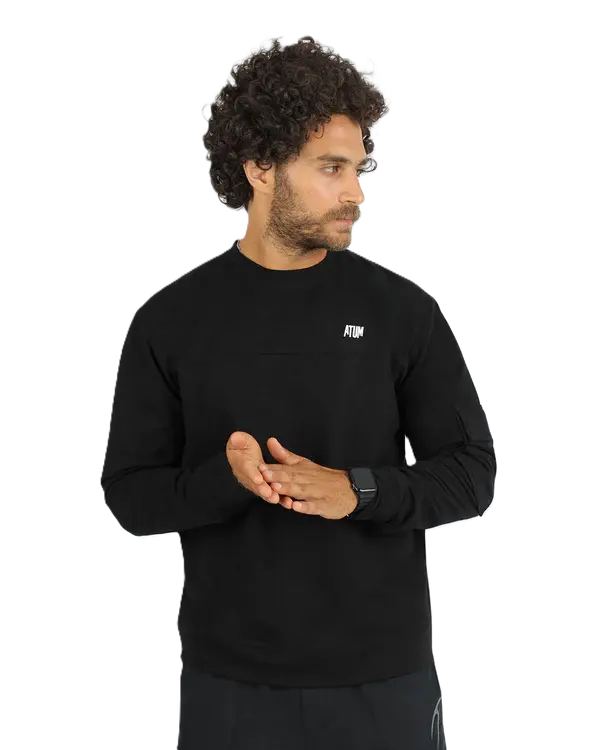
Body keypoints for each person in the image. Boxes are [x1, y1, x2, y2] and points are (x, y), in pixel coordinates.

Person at [100, 35, 497, 749]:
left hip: (381, 682)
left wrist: (357, 490)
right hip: (229, 685)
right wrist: (227, 480)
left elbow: (470, 474)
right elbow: (130, 497)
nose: (355, 193)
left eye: (358, 169)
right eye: (331, 168)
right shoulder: (172, 320)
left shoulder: (400, 311)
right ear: (260, 168)